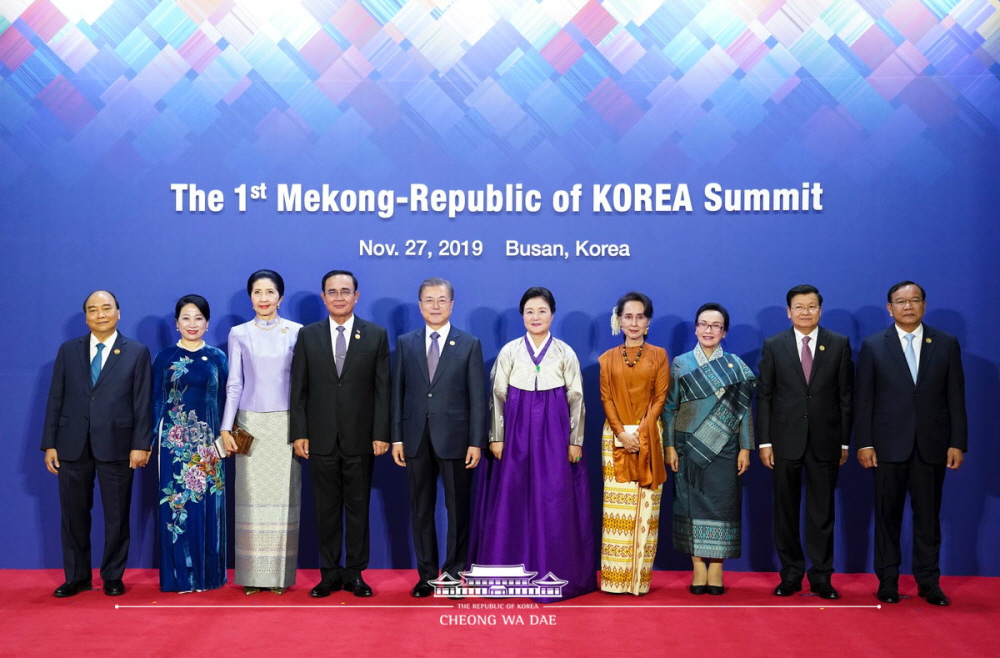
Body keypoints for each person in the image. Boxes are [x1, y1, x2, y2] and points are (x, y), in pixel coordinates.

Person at [469, 287, 596, 602]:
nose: (535, 317)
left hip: (554, 436)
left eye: (541, 311)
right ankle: (506, 573)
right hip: (515, 435)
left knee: (553, 501)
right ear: (521, 316)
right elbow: (497, 397)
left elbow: (576, 399)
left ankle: (554, 573)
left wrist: (575, 441)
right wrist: (495, 437)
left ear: (552, 314)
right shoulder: (510, 351)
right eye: (529, 311)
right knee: (512, 499)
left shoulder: (565, 352)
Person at [855, 281, 967, 606]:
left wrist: (957, 441)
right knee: (887, 516)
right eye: (900, 301)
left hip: (932, 446)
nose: (908, 306)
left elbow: (956, 398)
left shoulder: (946, 344)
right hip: (887, 448)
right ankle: (888, 581)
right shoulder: (875, 345)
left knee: (928, 519)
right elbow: (864, 401)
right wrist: (864, 443)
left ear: (924, 305)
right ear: (889, 308)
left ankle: (929, 582)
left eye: (914, 300)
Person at [41, 290, 152, 597]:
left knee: (117, 515)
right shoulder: (68, 350)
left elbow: (143, 402)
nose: (100, 314)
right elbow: (56, 398)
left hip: (118, 444)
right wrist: (50, 443)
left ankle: (113, 576)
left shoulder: (136, 352)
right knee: (73, 515)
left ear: (118, 312)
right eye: (93, 310)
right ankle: (76, 577)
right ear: (86, 316)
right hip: (71, 445)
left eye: (106, 308)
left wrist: (141, 443)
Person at [291, 270, 390, 598]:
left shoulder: (375, 335)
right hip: (319, 438)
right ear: (323, 297)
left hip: (361, 437)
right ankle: (329, 573)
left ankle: (355, 573)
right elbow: (299, 388)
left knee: (358, 509)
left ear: (357, 296)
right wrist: (300, 432)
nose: (338, 296)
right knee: (326, 509)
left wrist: (381, 433)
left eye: (345, 291)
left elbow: (382, 390)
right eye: (331, 291)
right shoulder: (308, 335)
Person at [391, 278, 486, 597]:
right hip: (415, 438)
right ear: (419, 306)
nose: (435, 306)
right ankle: (426, 574)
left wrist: (476, 441)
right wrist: (396, 438)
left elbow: (477, 397)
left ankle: (455, 573)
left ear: (452, 305)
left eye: (441, 300)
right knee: (421, 509)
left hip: (457, 440)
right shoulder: (406, 342)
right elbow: (398, 394)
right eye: (428, 300)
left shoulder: (469, 343)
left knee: (458, 509)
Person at [757, 285, 853, 600]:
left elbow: (845, 397)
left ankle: (822, 578)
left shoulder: (838, 344)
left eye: (811, 306)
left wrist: (844, 442)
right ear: (789, 311)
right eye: (799, 307)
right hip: (784, 442)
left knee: (821, 513)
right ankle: (791, 575)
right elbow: (766, 396)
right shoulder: (774, 345)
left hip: (826, 442)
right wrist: (765, 441)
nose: (805, 312)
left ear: (820, 310)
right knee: (785, 512)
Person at [662, 303, 755, 595]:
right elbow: (669, 408)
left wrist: (746, 447)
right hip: (688, 445)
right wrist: (669, 446)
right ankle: (697, 566)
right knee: (690, 505)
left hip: (725, 447)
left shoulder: (736, 366)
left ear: (724, 332)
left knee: (722, 505)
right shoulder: (681, 362)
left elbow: (745, 411)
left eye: (715, 326)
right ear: (695, 328)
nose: (708, 330)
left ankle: (717, 565)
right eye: (703, 324)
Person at [219, 270, 303, 595]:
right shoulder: (239, 333)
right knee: (250, 499)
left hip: (285, 424)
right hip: (249, 424)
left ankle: (279, 576)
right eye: (257, 292)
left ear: (281, 297)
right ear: (250, 296)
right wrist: (227, 427)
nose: (264, 298)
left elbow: (301, 385)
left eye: (270, 292)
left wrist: (301, 428)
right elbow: (234, 383)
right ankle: (252, 576)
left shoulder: (297, 333)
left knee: (285, 500)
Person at [153, 294, 228, 592]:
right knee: (176, 507)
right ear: (176, 323)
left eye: (198, 318)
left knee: (210, 509)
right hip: (173, 446)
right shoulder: (165, 358)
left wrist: (227, 436)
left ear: (207, 323)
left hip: (209, 447)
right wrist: (148, 441)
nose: (192, 324)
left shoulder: (218, 358)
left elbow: (228, 400)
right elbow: (156, 401)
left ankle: (209, 577)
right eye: (186, 317)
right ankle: (179, 578)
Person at [598, 292, 669, 595]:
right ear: (619, 320)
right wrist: (621, 433)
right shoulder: (607, 358)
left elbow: (660, 398)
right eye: (628, 316)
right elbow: (606, 398)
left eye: (640, 316)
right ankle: (614, 580)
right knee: (618, 511)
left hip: (649, 436)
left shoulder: (659, 355)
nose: (634, 322)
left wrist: (641, 432)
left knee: (646, 509)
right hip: (614, 439)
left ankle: (639, 581)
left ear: (648, 321)